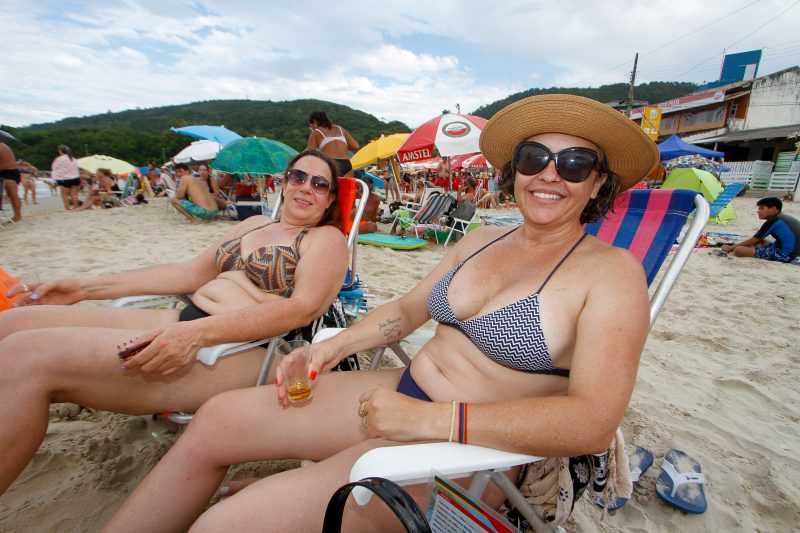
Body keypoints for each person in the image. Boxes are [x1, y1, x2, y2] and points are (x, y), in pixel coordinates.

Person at [106, 94, 659, 531]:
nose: (549, 175)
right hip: (404, 394)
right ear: (515, 170)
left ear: (599, 182)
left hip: (479, 450)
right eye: (535, 158)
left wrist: (430, 421)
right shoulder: (483, 238)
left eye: (574, 163)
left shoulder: (611, 274)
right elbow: (407, 310)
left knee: (228, 525)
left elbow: (592, 421)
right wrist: (330, 348)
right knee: (216, 421)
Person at [0, 150, 349, 498]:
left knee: (23, 357)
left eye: (319, 184)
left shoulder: (325, 239)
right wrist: (83, 287)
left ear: (330, 197)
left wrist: (196, 334)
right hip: (185, 320)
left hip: (239, 347)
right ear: (284, 183)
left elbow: (301, 309)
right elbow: (187, 273)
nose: (306, 188)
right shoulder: (255, 223)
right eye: (299, 177)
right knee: (16, 322)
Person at [721, 197, 800, 262]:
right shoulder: (781, 218)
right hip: (790, 250)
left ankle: (753, 251)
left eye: (762, 208)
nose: (758, 211)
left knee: (739, 250)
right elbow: (757, 240)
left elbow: (753, 240)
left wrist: (731, 248)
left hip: (787, 255)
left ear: (773, 209)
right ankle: (754, 250)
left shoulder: (774, 220)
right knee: (760, 242)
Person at [307, 111, 360, 177]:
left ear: (314, 122)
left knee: (328, 187)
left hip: (330, 163)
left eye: (311, 126)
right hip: (346, 164)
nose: (311, 128)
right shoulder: (340, 129)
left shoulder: (315, 132)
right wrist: (342, 146)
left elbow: (310, 154)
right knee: (347, 187)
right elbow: (356, 146)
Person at [51, 144, 81, 210]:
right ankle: (76, 207)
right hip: (76, 178)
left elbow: (54, 168)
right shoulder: (73, 159)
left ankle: (67, 208)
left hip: (65, 179)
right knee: (74, 194)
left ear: (60, 151)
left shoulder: (59, 159)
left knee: (65, 195)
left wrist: (55, 178)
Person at [0, 142, 22, 221]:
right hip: (11, 171)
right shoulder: (4, 145)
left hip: (8, 172)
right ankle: (17, 216)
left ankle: (18, 216)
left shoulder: (1, 147)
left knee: (13, 195)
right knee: (13, 195)